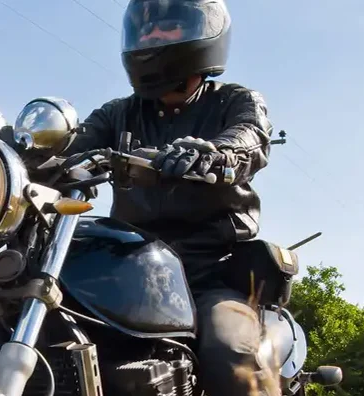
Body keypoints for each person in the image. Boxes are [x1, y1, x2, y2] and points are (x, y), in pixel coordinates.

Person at [61, 0, 276, 394]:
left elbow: (249, 136)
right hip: (131, 273)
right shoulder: (117, 114)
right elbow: (71, 150)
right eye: (147, 30)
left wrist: (214, 152)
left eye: (169, 28)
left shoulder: (236, 101)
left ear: (205, 36)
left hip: (210, 272)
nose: (153, 38)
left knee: (231, 353)